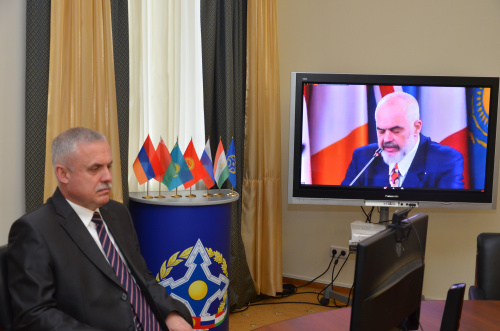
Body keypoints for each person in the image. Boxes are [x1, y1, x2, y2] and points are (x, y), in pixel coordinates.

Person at [8, 127, 193, 331]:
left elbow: (143, 278)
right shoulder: (34, 230)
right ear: (63, 174)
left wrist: (171, 315)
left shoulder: (118, 213)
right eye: (95, 169)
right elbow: (35, 316)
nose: (107, 177)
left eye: (109, 166)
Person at [342, 91, 464, 188]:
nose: (387, 139)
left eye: (396, 131)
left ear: (416, 127)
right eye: (381, 131)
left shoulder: (445, 160)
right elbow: (345, 199)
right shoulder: (364, 158)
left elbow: (446, 212)